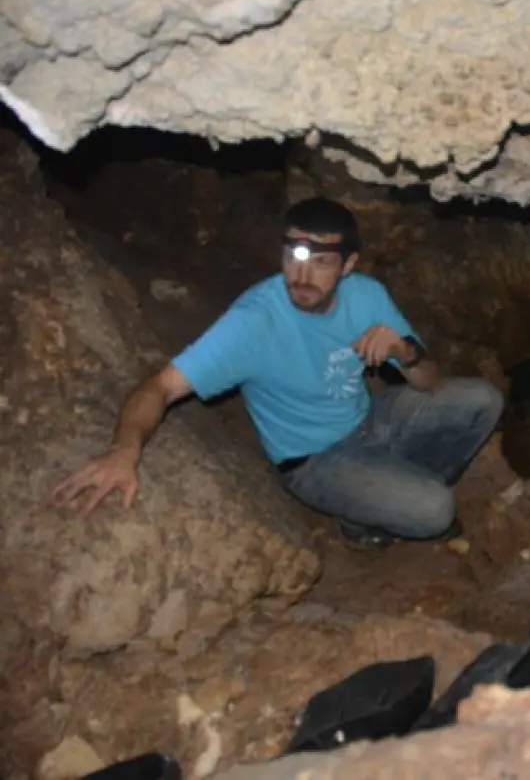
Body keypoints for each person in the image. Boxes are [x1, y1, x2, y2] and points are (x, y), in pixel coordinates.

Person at [50, 197, 504, 550]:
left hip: (371, 418)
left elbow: (431, 383)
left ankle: (387, 491)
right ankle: (359, 514)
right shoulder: (254, 322)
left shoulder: (367, 296)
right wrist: (124, 450)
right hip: (315, 462)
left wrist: (405, 353)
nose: (301, 275)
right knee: (436, 510)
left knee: (482, 399)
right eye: (294, 255)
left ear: (348, 266)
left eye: (321, 262)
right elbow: (159, 387)